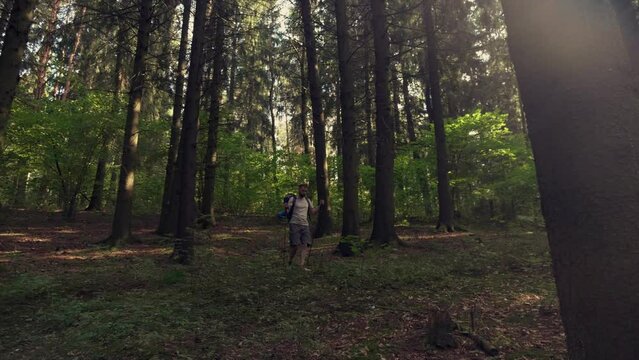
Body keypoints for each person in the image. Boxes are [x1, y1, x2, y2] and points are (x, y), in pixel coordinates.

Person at [286, 183, 324, 269]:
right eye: (303, 190)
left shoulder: (308, 200)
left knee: (305, 244)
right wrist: (285, 208)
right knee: (294, 245)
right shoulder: (293, 199)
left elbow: (313, 212)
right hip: (294, 223)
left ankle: (302, 265)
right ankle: (290, 261)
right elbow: (288, 211)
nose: (304, 192)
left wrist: (320, 206)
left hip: (305, 224)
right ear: (299, 190)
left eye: (306, 191)